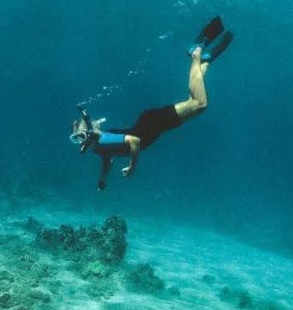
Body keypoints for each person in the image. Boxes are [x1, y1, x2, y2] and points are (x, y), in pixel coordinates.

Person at [69, 16, 233, 190]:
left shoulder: (101, 140)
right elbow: (108, 158)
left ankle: (197, 52)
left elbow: (134, 141)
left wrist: (133, 165)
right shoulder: (98, 148)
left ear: (89, 131)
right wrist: (103, 179)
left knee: (199, 103)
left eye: (81, 136)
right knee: (194, 101)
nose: (80, 141)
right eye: (77, 139)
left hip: (152, 123)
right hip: (153, 125)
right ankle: (203, 63)